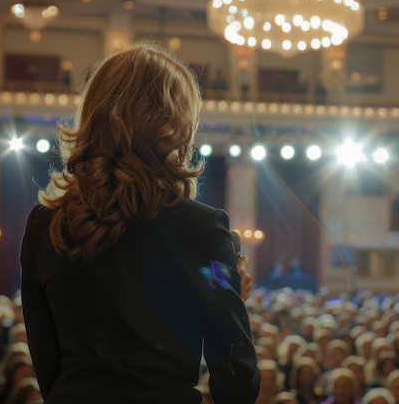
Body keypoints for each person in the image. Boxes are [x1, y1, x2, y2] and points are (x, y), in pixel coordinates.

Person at [20, 42, 260, 404]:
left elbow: (48, 369)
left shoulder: (45, 223)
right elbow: (237, 389)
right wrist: (230, 306)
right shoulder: (202, 228)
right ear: (174, 124)